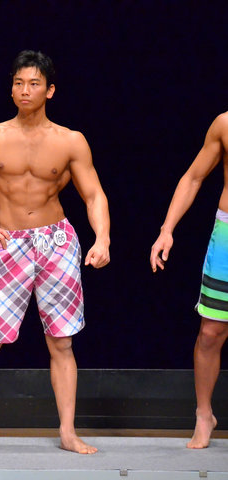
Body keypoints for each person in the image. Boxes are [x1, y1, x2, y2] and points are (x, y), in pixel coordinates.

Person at [0, 50, 110, 454]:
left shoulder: (70, 141)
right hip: (9, 243)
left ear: (50, 90)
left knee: (61, 342)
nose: (25, 90)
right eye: (18, 83)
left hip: (57, 242)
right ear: (11, 88)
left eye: (34, 84)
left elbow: (94, 194)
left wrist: (102, 238)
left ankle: (67, 431)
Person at [150, 112, 228, 449]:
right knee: (211, 332)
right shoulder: (225, 124)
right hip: (227, 238)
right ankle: (204, 415)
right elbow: (194, 177)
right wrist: (167, 230)